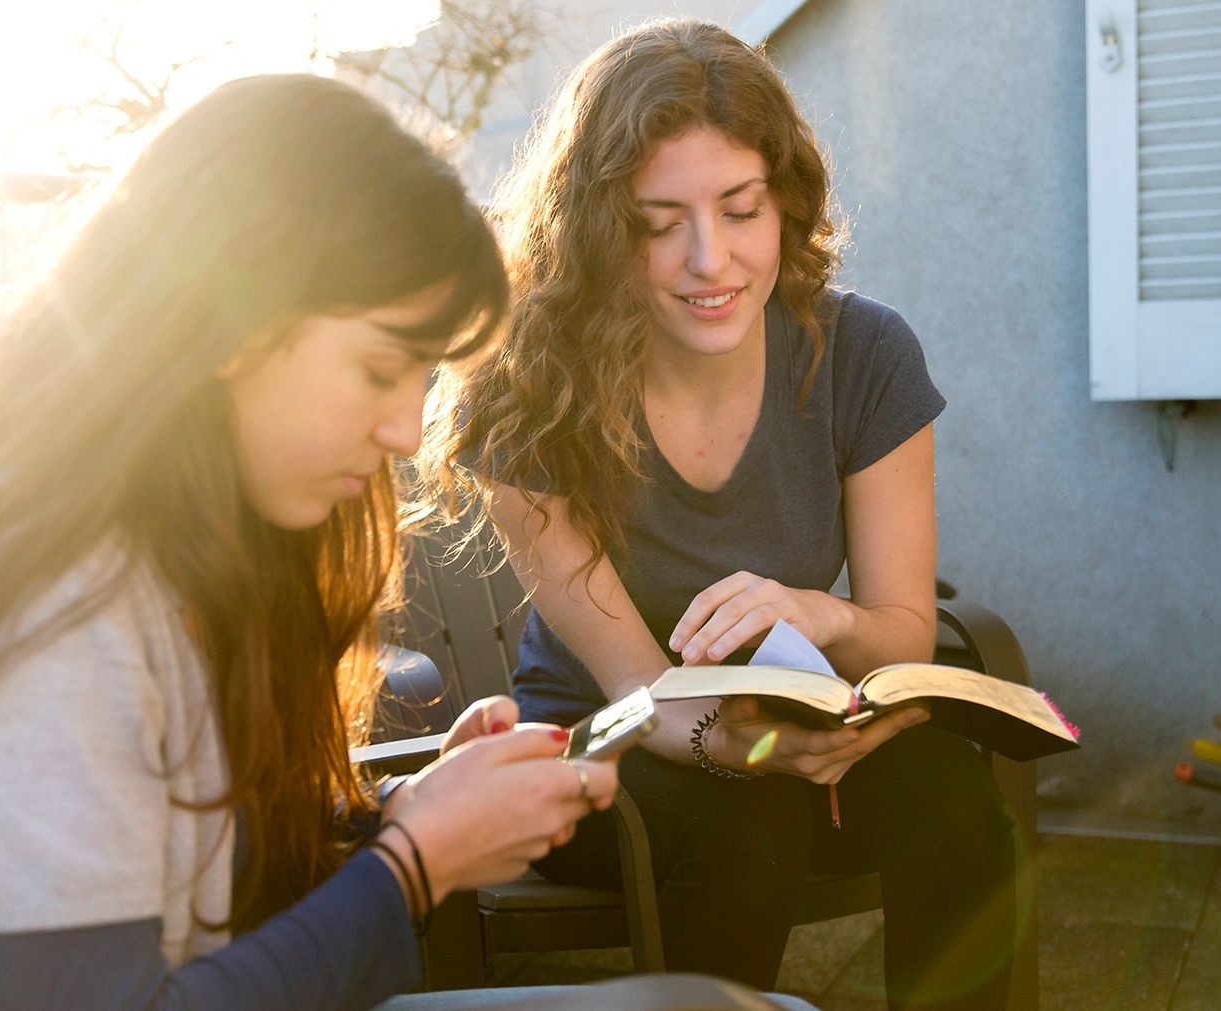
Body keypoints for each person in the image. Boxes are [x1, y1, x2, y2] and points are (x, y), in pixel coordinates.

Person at [0, 74, 623, 1011]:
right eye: (379, 368)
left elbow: (199, 893)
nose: (407, 428)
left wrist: (411, 816)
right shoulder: (33, 607)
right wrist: (411, 865)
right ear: (235, 322)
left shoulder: (166, 551)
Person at [420, 20, 1017, 1010]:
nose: (712, 259)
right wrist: (755, 750)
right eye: (663, 222)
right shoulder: (528, 386)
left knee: (949, 794)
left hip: (784, 732)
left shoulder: (863, 357)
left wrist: (824, 631)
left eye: (740, 209)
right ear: (601, 226)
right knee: (743, 823)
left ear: (784, 202)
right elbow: (638, 688)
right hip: (604, 754)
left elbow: (901, 632)